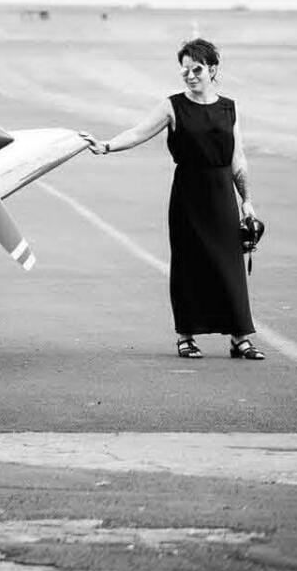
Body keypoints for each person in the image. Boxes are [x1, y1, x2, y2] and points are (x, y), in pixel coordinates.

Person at [79, 38, 265, 361]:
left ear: (213, 69)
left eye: (197, 69)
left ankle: (239, 338)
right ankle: (186, 337)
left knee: (230, 264)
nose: (190, 76)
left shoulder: (229, 108)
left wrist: (247, 200)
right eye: (185, 71)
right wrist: (106, 146)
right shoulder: (172, 106)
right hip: (188, 195)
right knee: (188, 264)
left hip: (222, 194)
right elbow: (138, 133)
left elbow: (238, 158)